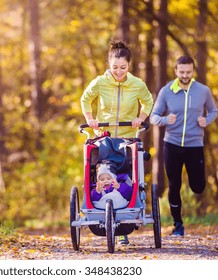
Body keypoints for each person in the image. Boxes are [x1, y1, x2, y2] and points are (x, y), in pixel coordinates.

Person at [81, 40, 154, 245]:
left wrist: (141, 117)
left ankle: (123, 226)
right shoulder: (100, 82)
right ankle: (102, 209)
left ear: (129, 66)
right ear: (109, 64)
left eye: (123, 67)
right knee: (105, 172)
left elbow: (148, 101)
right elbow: (85, 99)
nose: (118, 72)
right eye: (114, 67)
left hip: (127, 137)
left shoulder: (137, 84)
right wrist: (90, 119)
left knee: (128, 176)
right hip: (104, 137)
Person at [149, 55, 218, 237]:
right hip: (172, 144)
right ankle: (177, 224)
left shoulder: (203, 91)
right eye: (182, 72)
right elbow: (153, 116)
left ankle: (193, 185)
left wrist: (206, 120)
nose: (185, 75)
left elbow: (213, 110)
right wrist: (165, 120)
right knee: (174, 184)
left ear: (193, 71)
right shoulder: (167, 91)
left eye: (188, 72)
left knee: (198, 187)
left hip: (195, 145)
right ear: (176, 71)